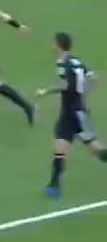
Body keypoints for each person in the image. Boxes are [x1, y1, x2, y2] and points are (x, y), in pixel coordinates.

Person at [36, 32, 107, 197]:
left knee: (88, 149)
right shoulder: (76, 61)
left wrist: (45, 91)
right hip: (77, 111)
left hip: (71, 114)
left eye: (54, 43)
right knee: (69, 149)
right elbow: (94, 78)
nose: (52, 46)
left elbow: (65, 85)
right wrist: (82, 94)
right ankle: (54, 186)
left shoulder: (63, 63)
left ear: (58, 45)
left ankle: (54, 187)